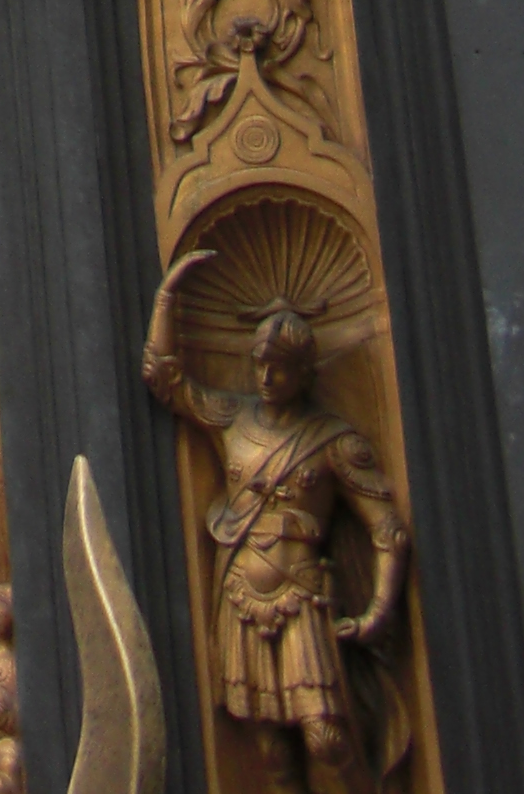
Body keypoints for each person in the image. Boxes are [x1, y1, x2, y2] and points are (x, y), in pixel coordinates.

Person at [145, 255, 409, 793]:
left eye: (279, 368)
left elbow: (387, 529)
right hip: (241, 594)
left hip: (302, 598)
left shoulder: (333, 442)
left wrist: (379, 611)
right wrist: (166, 298)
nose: (265, 377)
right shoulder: (232, 419)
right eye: (259, 364)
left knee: (325, 738)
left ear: (304, 372)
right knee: (270, 750)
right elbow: (165, 380)